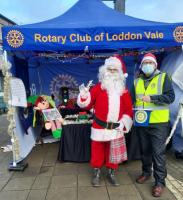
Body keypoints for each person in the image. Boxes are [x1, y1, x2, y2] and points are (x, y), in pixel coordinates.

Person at [77, 56, 133, 187]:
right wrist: (84, 95)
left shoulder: (123, 91)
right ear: (104, 71)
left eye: (115, 70)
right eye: (110, 69)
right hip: (99, 127)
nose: (112, 72)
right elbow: (86, 105)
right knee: (97, 151)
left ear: (119, 73)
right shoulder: (98, 88)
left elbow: (128, 110)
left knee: (112, 153)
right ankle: (96, 173)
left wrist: (123, 123)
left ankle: (111, 173)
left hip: (115, 129)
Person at [132, 53, 175, 197]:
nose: (147, 65)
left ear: (155, 65)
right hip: (141, 122)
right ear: (142, 65)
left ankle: (160, 182)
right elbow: (131, 100)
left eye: (150, 62)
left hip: (158, 122)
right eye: (145, 63)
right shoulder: (137, 81)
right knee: (145, 150)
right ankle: (146, 172)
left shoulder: (163, 77)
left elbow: (170, 97)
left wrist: (151, 98)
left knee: (158, 153)